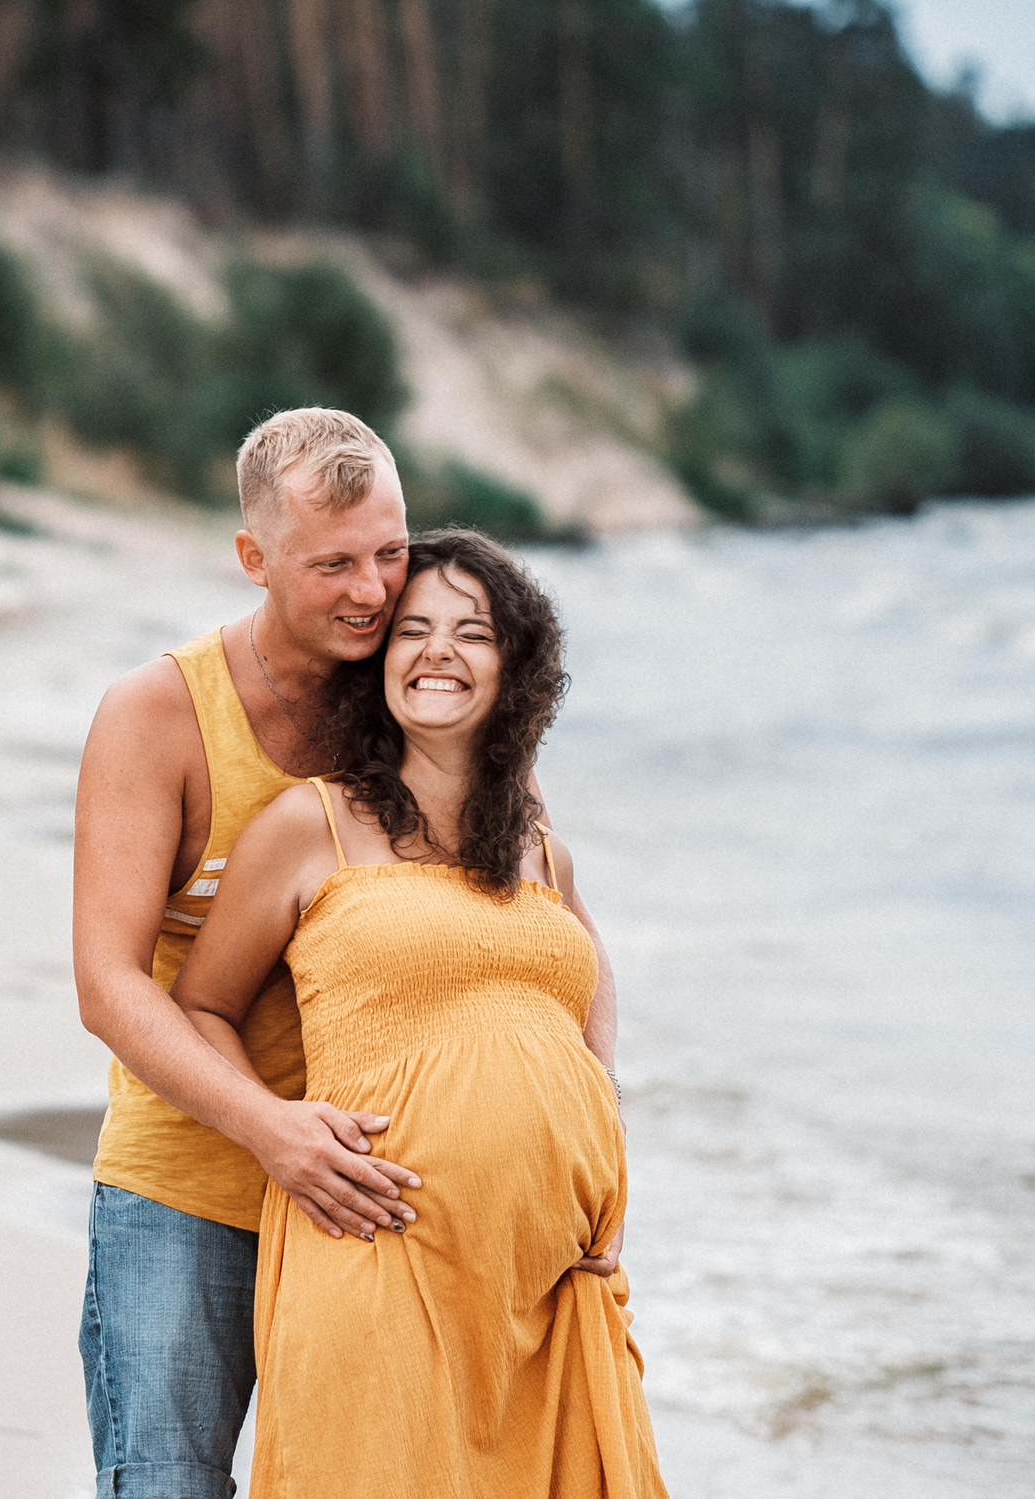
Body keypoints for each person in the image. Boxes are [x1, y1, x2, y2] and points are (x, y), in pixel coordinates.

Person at [171, 530, 664, 1497]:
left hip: (546, 1291)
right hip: (374, 1257)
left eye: (472, 632)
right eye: (415, 629)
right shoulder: (310, 824)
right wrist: (277, 1131)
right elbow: (201, 1003)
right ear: (381, 659)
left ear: (512, 667)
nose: (439, 650)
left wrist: (602, 1134)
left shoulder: (538, 845)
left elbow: (585, 978)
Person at [71, 408, 427, 1499]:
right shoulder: (158, 714)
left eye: (391, 552)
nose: (373, 590)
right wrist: (272, 1131)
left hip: (379, 1193)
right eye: (333, 564)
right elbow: (108, 985)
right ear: (253, 558)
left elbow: (552, 920)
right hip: (187, 1195)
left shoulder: (424, 698)